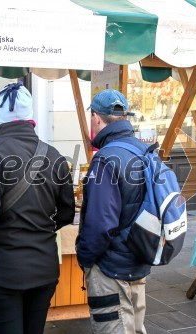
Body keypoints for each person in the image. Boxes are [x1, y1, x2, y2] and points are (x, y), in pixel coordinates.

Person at [0, 82, 75, 334]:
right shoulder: (54, 156)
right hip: (43, 268)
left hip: (0, 272)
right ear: (30, 117)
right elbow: (67, 212)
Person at [76, 89, 149, 334]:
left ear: (96, 118)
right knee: (135, 327)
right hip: (138, 258)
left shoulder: (106, 158)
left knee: (114, 327)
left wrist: (85, 258)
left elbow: (100, 225)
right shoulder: (143, 150)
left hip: (110, 267)